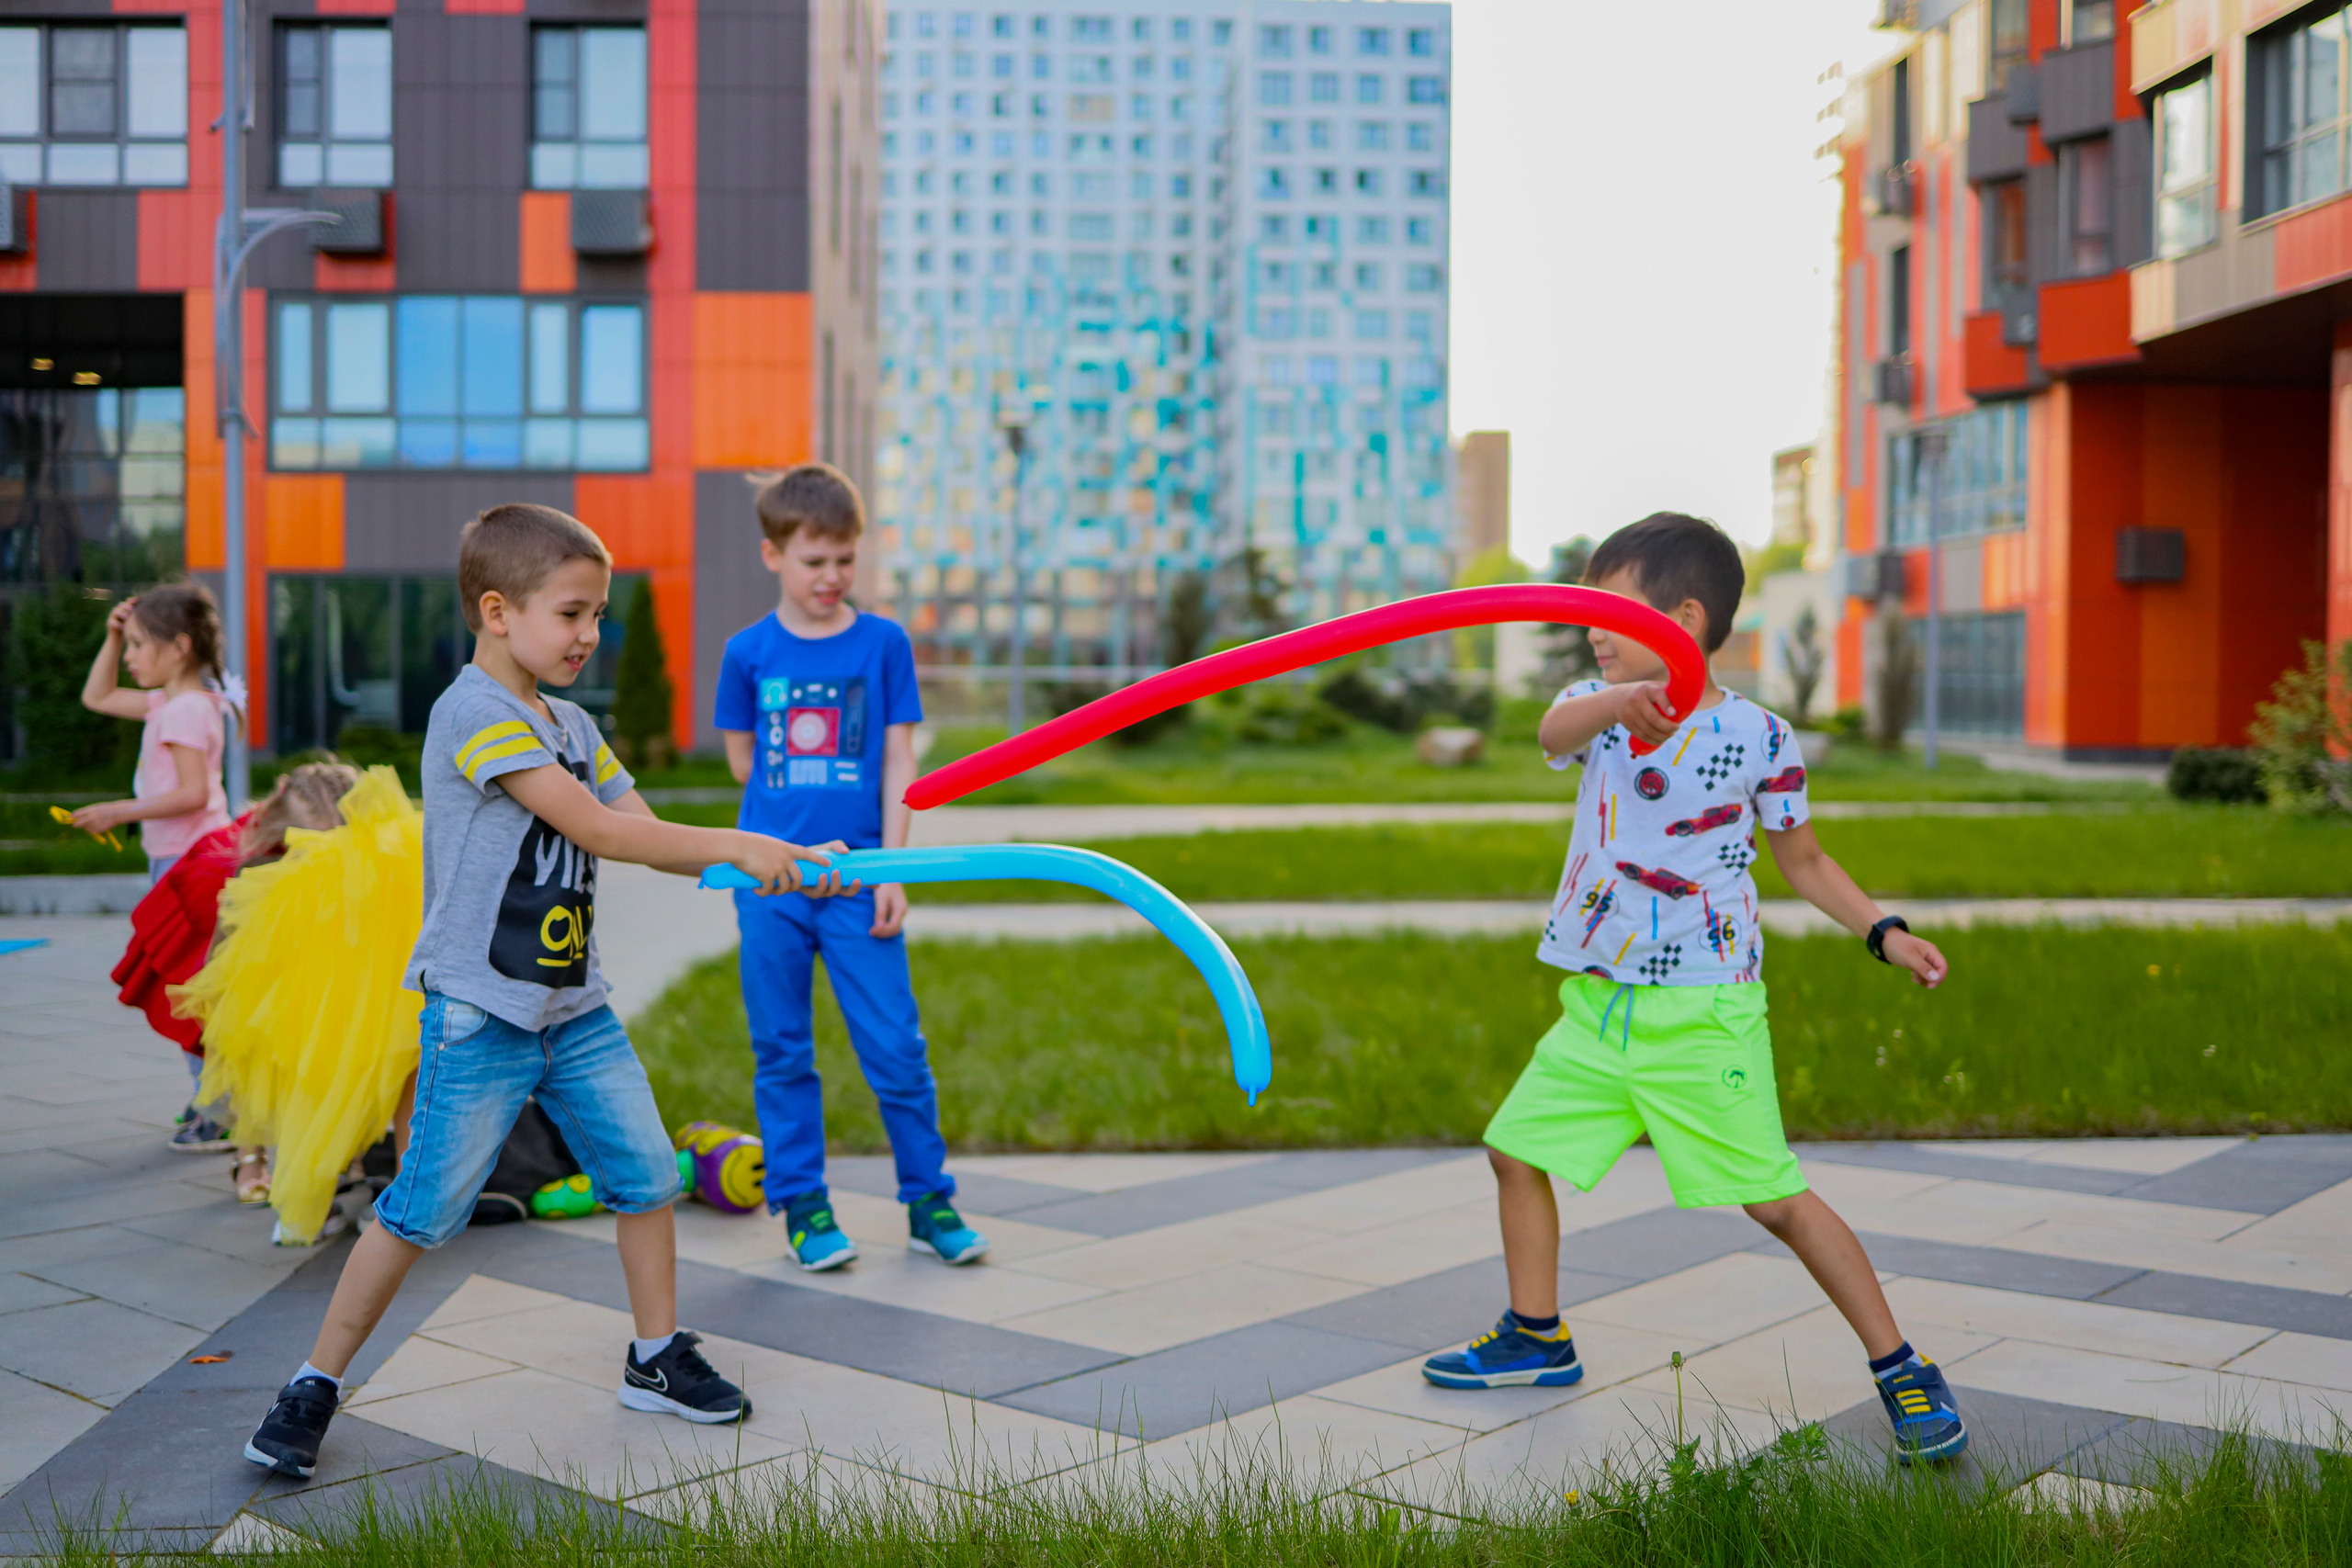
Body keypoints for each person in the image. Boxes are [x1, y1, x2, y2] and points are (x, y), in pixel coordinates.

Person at [242, 502, 831, 1480]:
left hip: (575, 1011)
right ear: (497, 610)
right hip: (480, 1017)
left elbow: (639, 827)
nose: (590, 636)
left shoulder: (573, 724)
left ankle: (654, 1357)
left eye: (599, 615)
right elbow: (598, 832)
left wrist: (785, 860)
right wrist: (738, 843)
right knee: (422, 1209)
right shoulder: (474, 714)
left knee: (646, 1175)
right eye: (572, 614)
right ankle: (312, 1384)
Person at [1419, 513, 1969, 1467]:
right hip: (1598, 1005)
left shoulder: (1760, 736)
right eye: (1585, 610)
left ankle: (1902, 1366)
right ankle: (1536, 1336)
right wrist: (1618, 698)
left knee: (1774, 1200)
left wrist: (1881, 930)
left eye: (1609, 609)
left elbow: (1802, 858)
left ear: (1683, 616)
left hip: (1703, 1010)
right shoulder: (1593, 707)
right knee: (1514, 1152)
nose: (1590, 626)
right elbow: (1553, 730)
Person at [712, 465, 988, 1271]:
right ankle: (804, 1205)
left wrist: (892, 867)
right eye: (813, 561)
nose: (831, 577)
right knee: (783, 1048)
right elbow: (743, 766)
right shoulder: (747, 652)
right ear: (773, 554)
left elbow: (900, 757)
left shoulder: (884, 643)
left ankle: (930, 1200)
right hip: (771, 884)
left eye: (845, 559)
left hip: (862, 879)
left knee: (896, 1045)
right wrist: (786, 840)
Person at [177, 760, 419, 1246]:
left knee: (300, 1101)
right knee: (402, 1092)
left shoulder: (265, 872)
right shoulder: (394, 862)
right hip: (383, 1017)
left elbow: (224, 958)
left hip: (301, 1022)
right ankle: (404, 1195)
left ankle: (309, 1205)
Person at [77, 583, 240, 1149]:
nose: (128, 657)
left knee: (188, 989)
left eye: (138, 645)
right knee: (189, 986)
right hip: (184, 861)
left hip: (190, 866)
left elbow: (194, 794)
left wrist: (117, 811)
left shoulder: (186, 710)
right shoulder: (175, 703)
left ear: (179, 648)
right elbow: (97, 697)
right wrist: (112, 632)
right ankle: (213, 1102)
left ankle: (219, 1111)